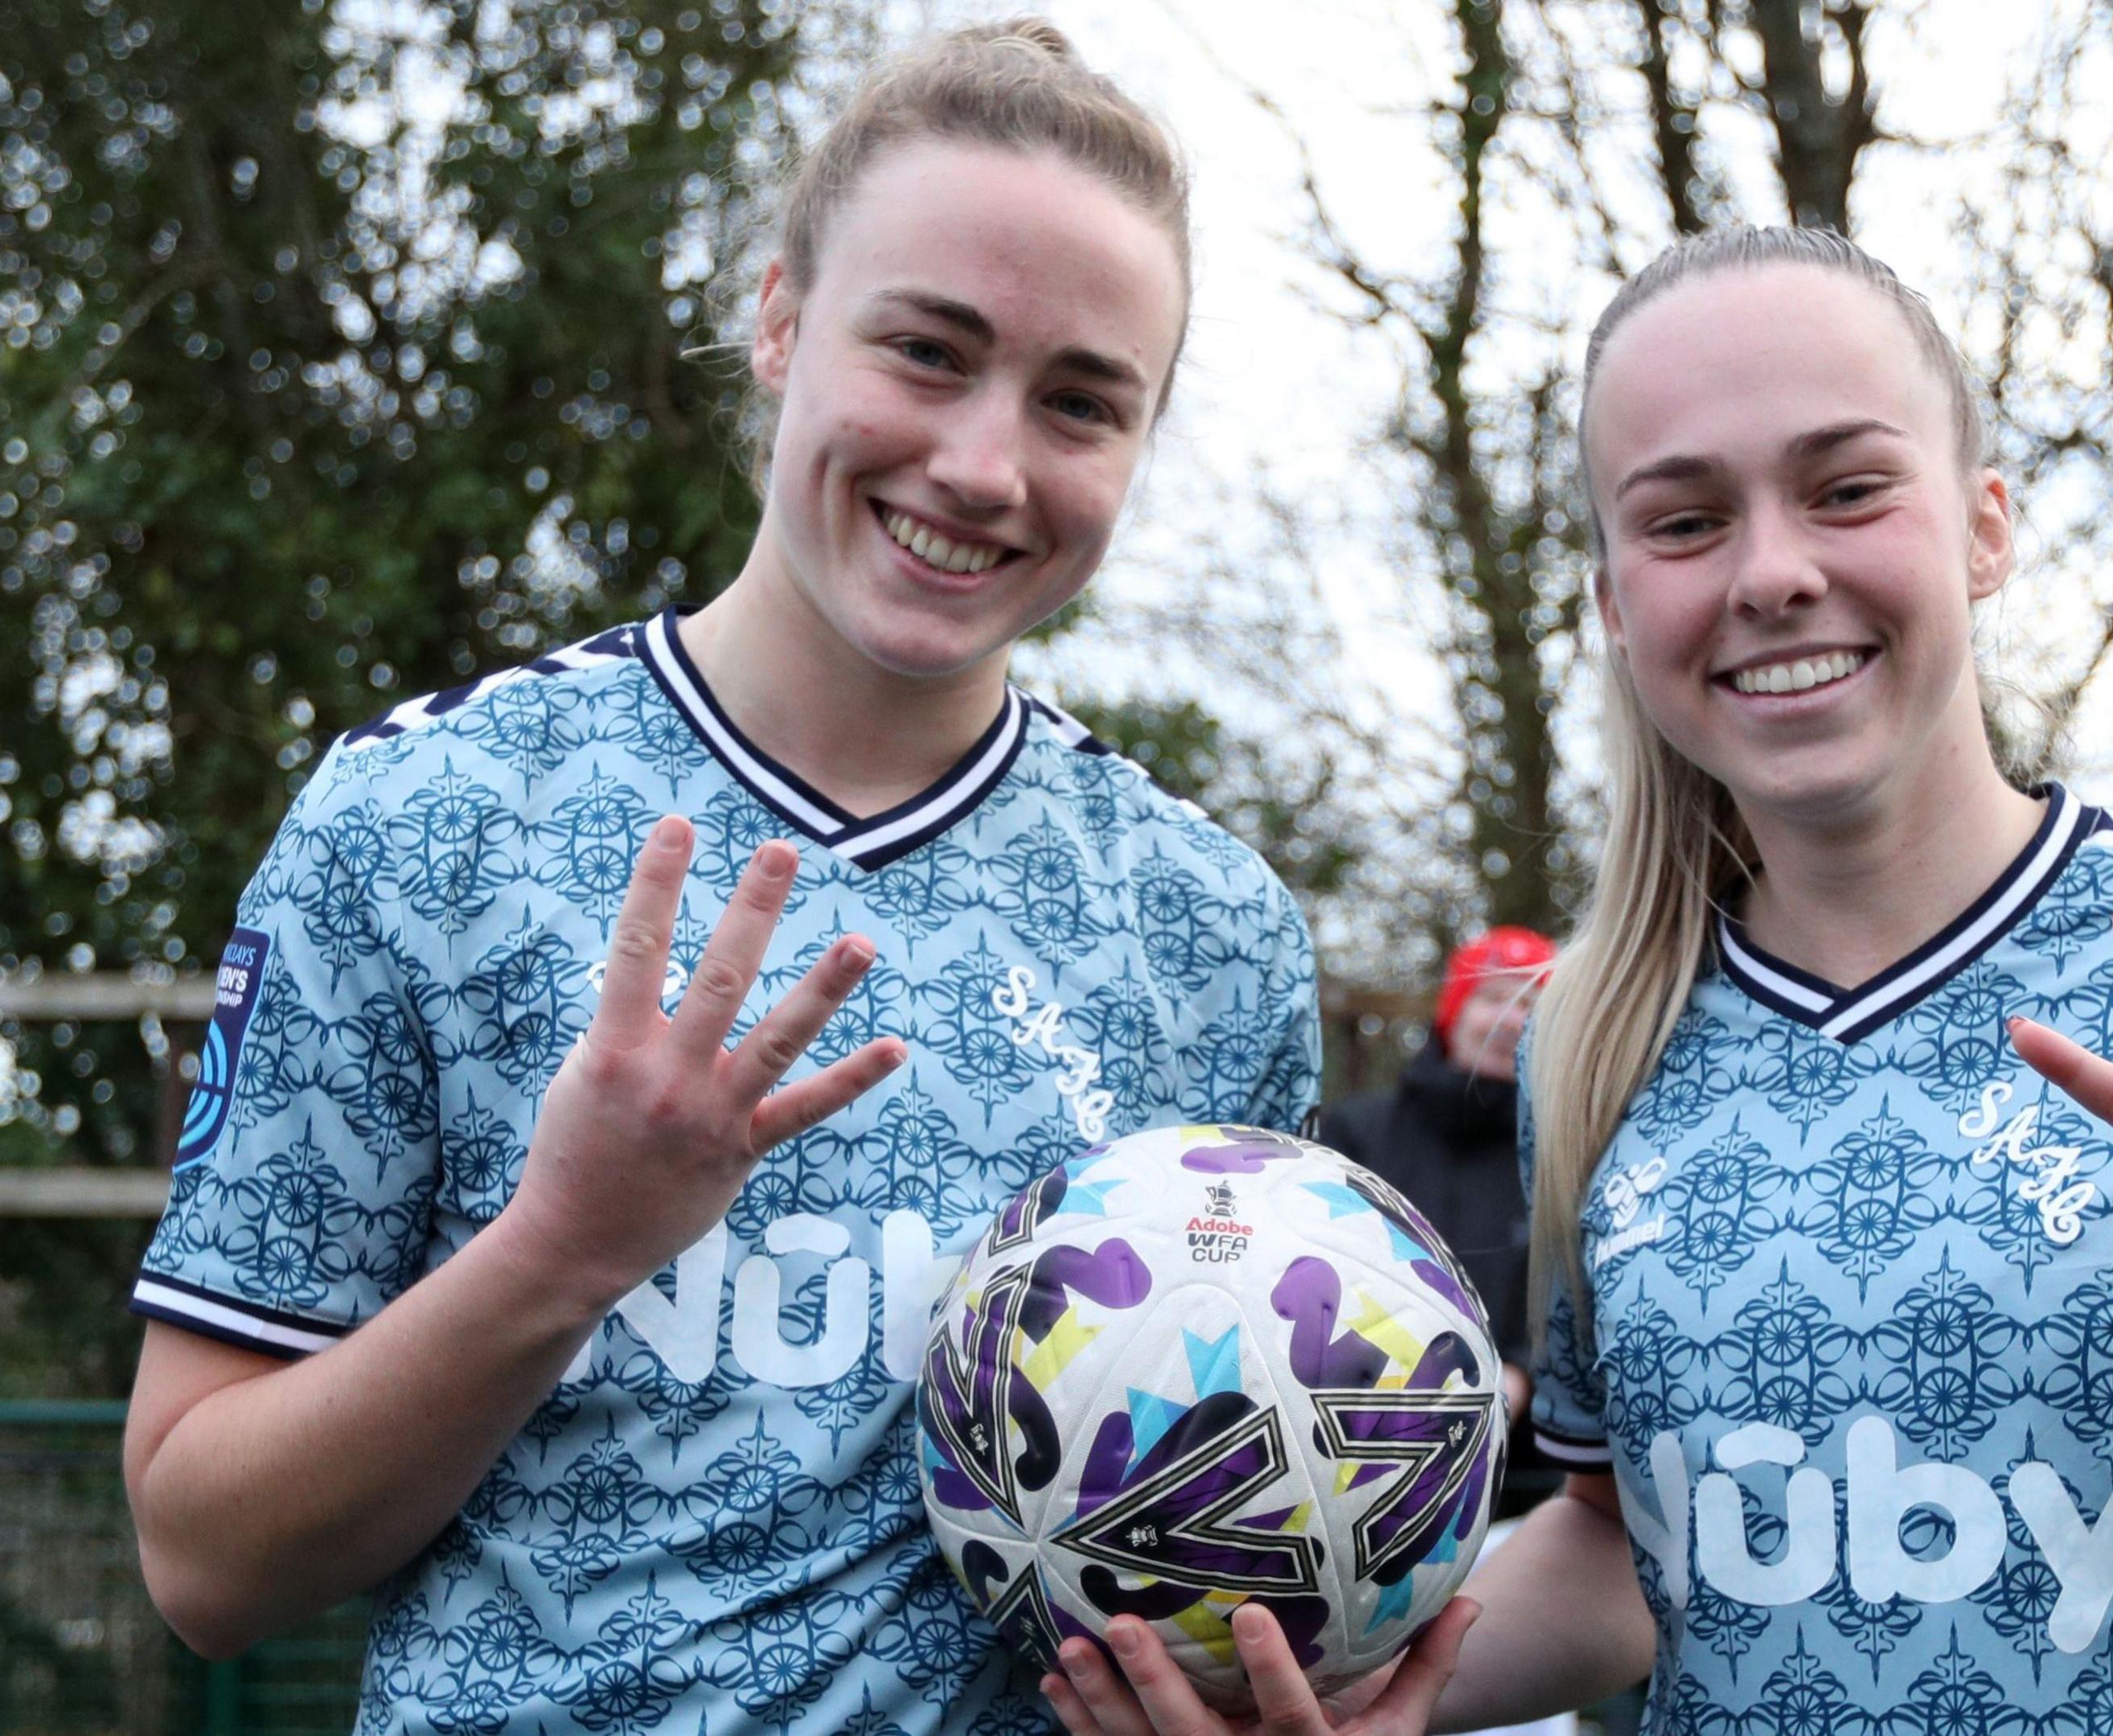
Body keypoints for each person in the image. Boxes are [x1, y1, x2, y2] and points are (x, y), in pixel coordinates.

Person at [1041, 227, 2113, 1736]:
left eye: (1846, 488)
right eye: (1687, 519)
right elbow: (1633, 1550)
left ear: (1985, 526)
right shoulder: (1586, 1037)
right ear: (1619, 601)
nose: (1771, 570)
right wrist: (1343, 1694)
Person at [119, 23, 1335, 1736]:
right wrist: (562, 1244)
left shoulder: (1209, 935)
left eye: (1079, 399)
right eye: (926, 352)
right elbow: (200, 1553)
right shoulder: (426, 817)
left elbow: (1249, 1554)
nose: (985, 465)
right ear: (779, 320)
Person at [1318, 925, 1560, 1512]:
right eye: (1494, 996)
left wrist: (1522, 1372)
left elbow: (1577, 1293)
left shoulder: (1565, 1155)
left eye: (1532, 1005)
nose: (1511, 1020)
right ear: (1455, 1009)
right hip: (1345, 1457)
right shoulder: (1356, 1132)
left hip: (1517, 1486)